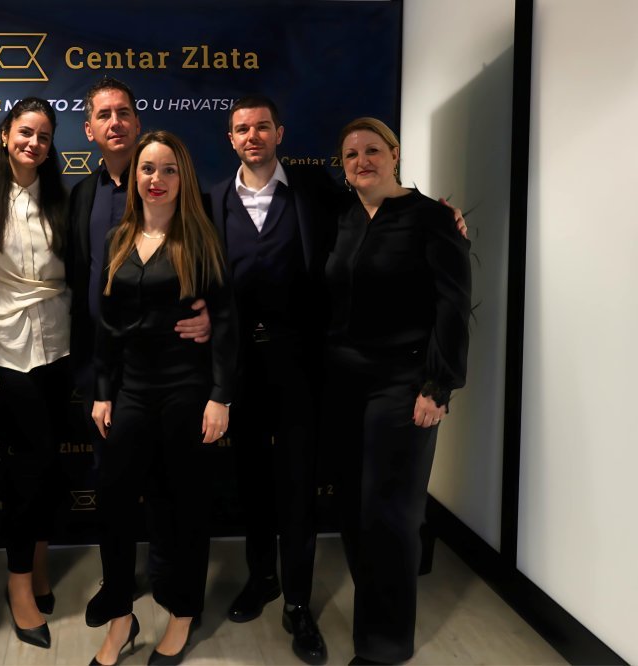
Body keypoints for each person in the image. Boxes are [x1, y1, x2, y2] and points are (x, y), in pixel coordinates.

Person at [323, 117, 471, 665]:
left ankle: (383, 647)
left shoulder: (432, 217)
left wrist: (438, 385)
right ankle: (381, 601)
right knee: (354, 507)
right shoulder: (338, 216)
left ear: (394, 154)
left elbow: (452, 306)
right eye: (351, 154)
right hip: (342, 382)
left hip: (404, 382)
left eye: (372, 150)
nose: (362, 161)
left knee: (389, 512)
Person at [66, 77, 210, 628]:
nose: (115, 122)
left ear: (138, 121)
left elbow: (215, 275)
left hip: (172, 371)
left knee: (173, 485)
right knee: (114, 484)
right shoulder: (82, 195)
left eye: (123, 112)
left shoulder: (180, 190)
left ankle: (170, 581)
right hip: (105, 368)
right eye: (104, 115)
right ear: (90, 130)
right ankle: (119, 587)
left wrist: (211, 318)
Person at [90, 130, 238, 666]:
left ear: (184, 178)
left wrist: (221, 396)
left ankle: (181, 613)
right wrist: (103, 393)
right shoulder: (119, 237)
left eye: (169, 169)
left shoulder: (201, 238)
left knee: (185, 507)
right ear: (135, 177)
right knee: (113, 502)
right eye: (148, 169)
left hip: (187, 391)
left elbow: (225, 320)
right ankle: (120, 616)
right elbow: (107, 325)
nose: (157, 179)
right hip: (131, 389)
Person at [209, 95, 339, 665]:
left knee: (298, 486)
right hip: (239, 370)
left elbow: (374, 208)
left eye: (262, 127)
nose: (253, 136)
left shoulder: (314, 189)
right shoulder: (213, 199)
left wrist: (439, 213)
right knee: (252, 482)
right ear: (231, 139)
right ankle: (262, 578)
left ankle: (299, 602)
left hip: (301, 366)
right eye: (242, 129)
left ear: (279, 133)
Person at [0, 97, 70, 650]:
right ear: (5, 134)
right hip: (5, 347)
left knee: (48, 466)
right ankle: (18, 582)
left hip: (62, 343)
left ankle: (40, 560)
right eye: (26, 132)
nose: (34, 143)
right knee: (29, 463)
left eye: (44, 136)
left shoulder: (63, 197)